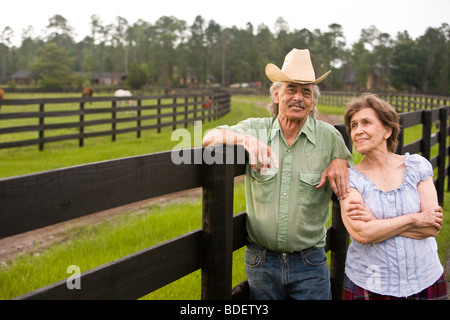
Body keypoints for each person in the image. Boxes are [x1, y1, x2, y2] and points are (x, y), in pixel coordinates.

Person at [202, 48, 353, 300]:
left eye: (306, 92)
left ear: (313, 101)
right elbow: (209, 137)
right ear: (276, 94)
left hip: (310, 263)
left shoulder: (330, 138)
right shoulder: (255, 129)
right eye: (291, 89)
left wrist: (341, 162)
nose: (298, 98)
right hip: (262, 262)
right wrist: (244, 139)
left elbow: (351, 175)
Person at [340, 93, 447, 300]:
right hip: (371, 283)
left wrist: (379, 224)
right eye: (353, 125)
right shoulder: (350, 179)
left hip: (424, 278)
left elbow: (432, 226)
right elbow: (363, 233)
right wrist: (414, 219)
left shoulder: (416, 166)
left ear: (387, 130)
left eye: (366, 123)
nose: (358, 131)